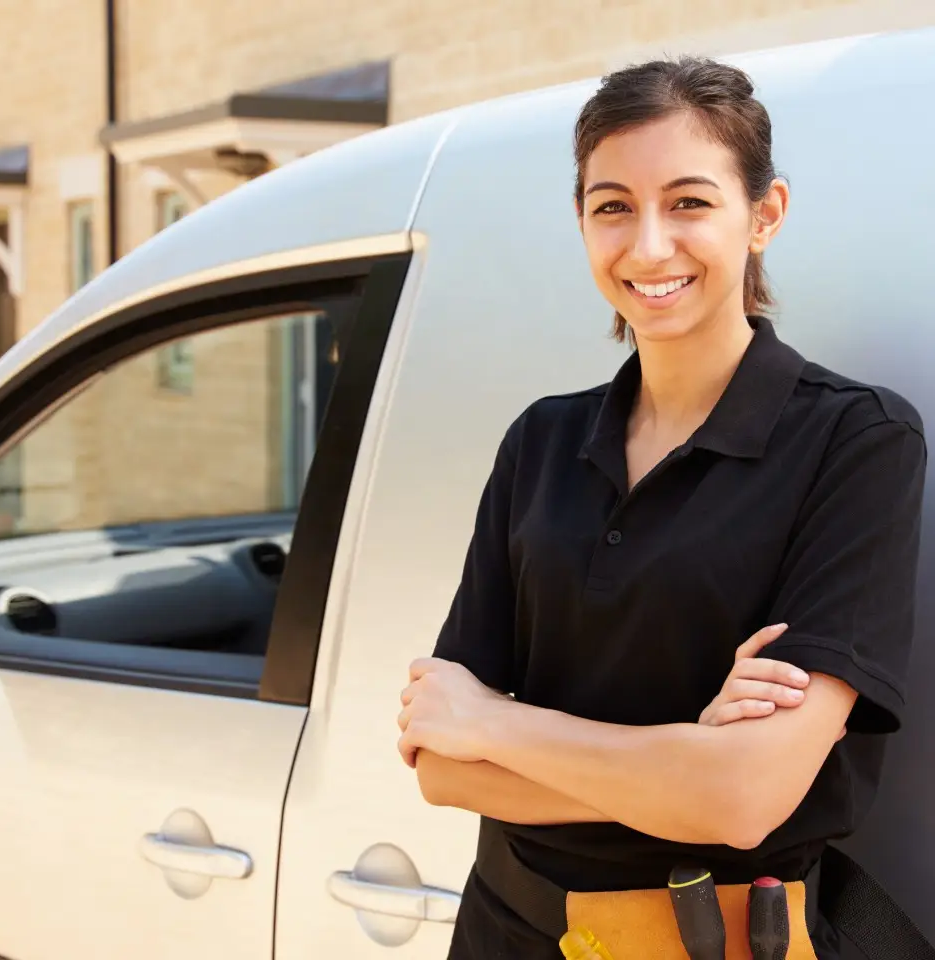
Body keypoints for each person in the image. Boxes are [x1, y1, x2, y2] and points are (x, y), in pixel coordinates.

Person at [396, 55, 927, 960]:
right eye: (613, 206)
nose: (647, 246)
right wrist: (687, 760)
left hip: (712, 943)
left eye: (688, 202)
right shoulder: (541, 443)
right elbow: (443, 769)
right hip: (505, 934)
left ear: (765, 215)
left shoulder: (856, 442)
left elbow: (748, 801)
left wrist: (501, 727)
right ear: (582, 222)